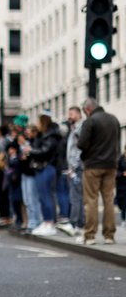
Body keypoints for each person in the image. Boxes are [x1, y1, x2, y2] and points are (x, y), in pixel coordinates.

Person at [77, 98, 122, 245]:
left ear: (88, 109)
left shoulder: (90, 121)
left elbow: (81, 144)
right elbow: (118, 143)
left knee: (91, 200)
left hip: (93, 165)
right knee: (109, 200)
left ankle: (90, 235)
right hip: (110, 165)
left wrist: (85, 156)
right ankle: (109, 235)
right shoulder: (114, 119)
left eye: (84, 112)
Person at [27, 111, 61, 236]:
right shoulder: (43, 135)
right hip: (42, 167)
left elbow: (45, 151)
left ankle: (50, 222)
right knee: (42, 196)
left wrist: (31, 150)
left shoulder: (51, 136)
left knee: (47, 196)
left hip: (47, 167)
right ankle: (46, 221)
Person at [57, 106, 85, 236]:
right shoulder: (73, 129)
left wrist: (73, 166)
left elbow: (79, 149)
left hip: (77, 167)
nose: (69, 117)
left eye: (72, 114)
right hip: (74, 167)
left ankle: (76, 224)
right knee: (76, 196)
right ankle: (78, 224)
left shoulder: (80, 129)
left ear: (79, 114)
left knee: (76, 197)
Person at [116, 145, 126, 228]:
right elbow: (116, 172)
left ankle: (124, 219)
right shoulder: (120, 159)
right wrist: (122, 174)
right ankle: (123, 219)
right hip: (121, 186)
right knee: (121, 204)